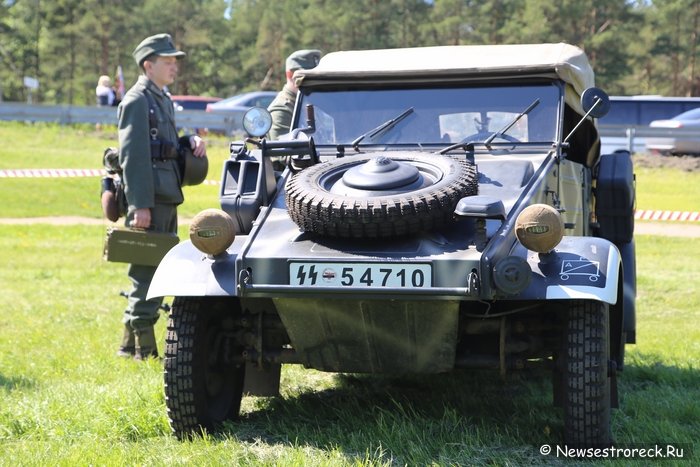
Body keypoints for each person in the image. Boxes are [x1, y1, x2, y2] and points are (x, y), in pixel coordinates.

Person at [116, 33, 207, 360]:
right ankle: (144, 349)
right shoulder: (137, 100)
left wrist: (188, 141)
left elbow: (162, 145)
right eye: (167, 62)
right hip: (150, 199)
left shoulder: (161, 97)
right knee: (146, 271)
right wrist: (140, 204)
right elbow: (134, 156)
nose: (174, 67)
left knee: (156, 265)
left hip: (166, 193)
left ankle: (128, 346)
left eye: (174, 62)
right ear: (148, 65)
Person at [267, 49, 322, 140]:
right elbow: (282, 151)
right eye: (306, 77)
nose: (312, 81)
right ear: (290, 75)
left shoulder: (307, 101)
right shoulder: (282, 110)